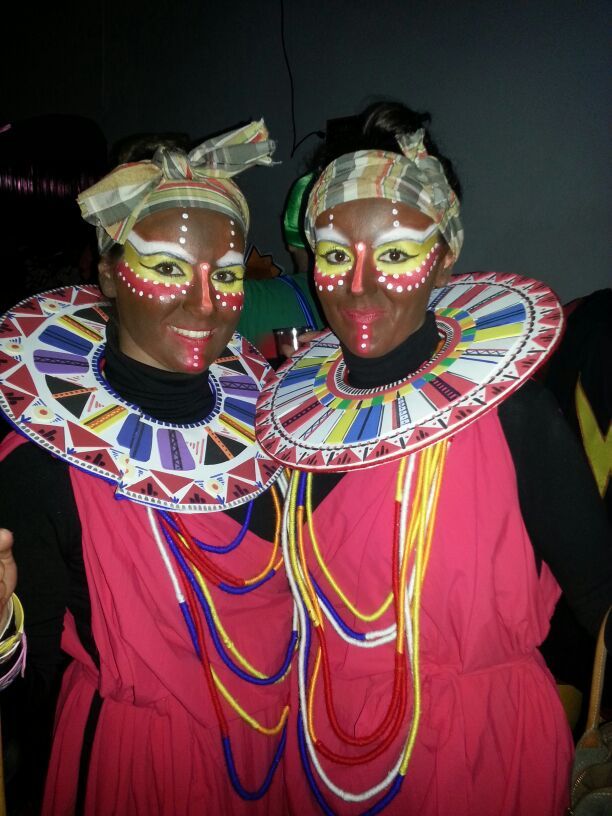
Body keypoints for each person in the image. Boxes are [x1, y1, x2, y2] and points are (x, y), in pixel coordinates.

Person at [255, 102, 612, 815]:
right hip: (323, 754)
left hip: (485, 758)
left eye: (393, 253)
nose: (358, 286)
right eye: (333, 255)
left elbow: (603, 600)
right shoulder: (289, 428)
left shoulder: (513, 416)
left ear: (444, 252)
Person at [0, 120, 295, 815]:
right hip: (135, 773)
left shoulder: (280, 428)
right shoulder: (41, 467)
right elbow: (28, 691)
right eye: (166, 268)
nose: (203, 303)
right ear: (106, 270)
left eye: (224, 275)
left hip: (280, 756)